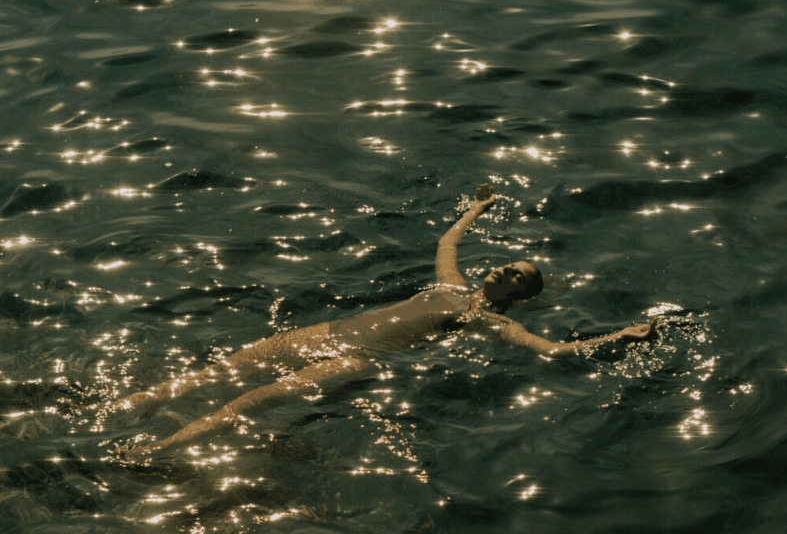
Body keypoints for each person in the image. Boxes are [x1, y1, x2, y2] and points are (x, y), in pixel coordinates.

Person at [116, 184, 658, 454]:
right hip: (327, 333)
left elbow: (554, 351)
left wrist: (620, 334)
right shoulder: (450, 283)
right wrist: (476, 208)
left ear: (519, 297)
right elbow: (448, 240)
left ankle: (153, 452)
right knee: (215, 373)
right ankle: (119, 410)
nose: (504, 271)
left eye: (517, 276)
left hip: (356, 358)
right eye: (508, 264)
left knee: (245, 403)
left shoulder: (491, 323)